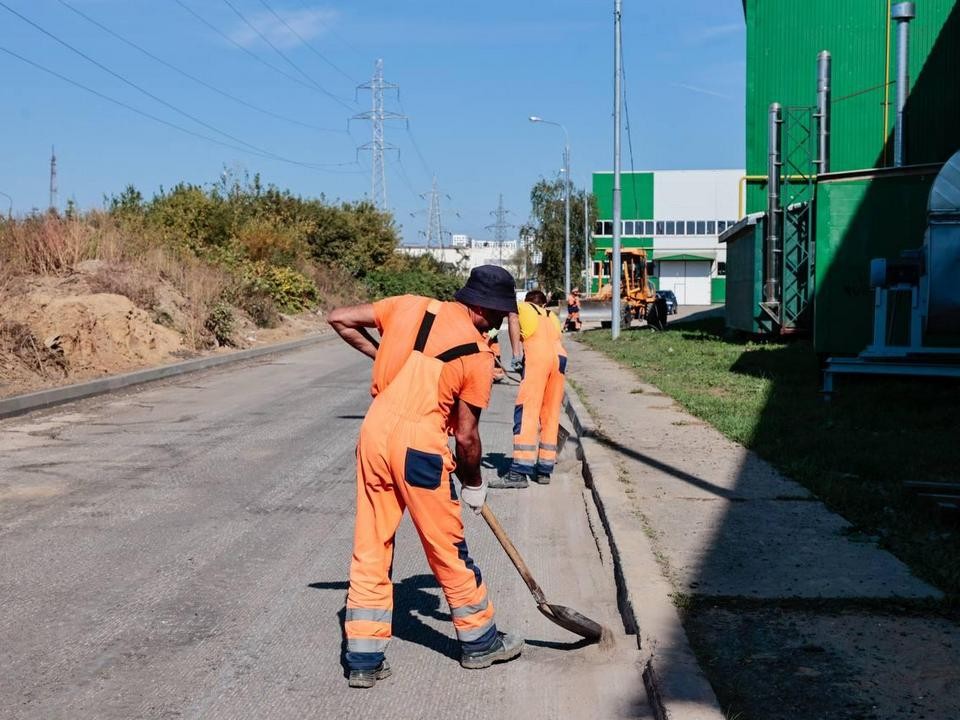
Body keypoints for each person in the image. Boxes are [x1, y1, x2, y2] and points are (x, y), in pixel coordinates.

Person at [327, 265, 524, 689]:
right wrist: (474, 484)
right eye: (497, 315)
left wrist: (382, 355)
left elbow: (338, 317)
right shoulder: (476, 356)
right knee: (446, 548)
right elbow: (467, 436)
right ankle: (480, 641)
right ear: (483, 308)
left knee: (371, 544)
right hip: (420, 447)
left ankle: (363, 657)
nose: (496, 324)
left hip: (375, 434)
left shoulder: (409, 306)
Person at [490, 289, 567, 489]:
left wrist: (516, 354)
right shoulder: (551, 315)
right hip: (559, 359)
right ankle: (544, 469)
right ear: (543, 303)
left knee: (527, 412)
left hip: (539, 358)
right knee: (550, 413)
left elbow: (513, 318)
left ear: (528, 301)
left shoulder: (523, 307)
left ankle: (519, 472)